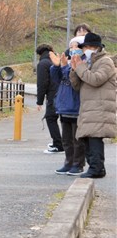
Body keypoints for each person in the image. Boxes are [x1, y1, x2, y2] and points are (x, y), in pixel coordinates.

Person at [70, 32, 116, 179]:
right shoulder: (89, 62)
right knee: (87, 137)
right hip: (89, 106)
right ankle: (95, 168)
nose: (84, 51)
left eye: (86, 47)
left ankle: (96, 168)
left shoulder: (105, 62)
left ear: (95, 47)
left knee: (95, 136)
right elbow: (77, 85)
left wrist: (81, 68)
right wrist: (74, 68)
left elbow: (96, 79)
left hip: (100, 107)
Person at [49, 36, 85, 175]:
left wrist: (64, 67)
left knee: (77, 140)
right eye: (71, 46)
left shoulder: (83, 63)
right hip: (64, 106)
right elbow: (57, 79)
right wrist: (56, 66)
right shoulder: (67, 62)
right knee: (66, 139)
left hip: (77, 106)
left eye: (76, 46)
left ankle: (78, 164)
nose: (73, 49)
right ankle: (68, 162)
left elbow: (74, 80)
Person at [35, 43, 63, 154]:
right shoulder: (56, 60)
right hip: (64, 93)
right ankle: (65, 143)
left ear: (40, 53)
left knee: (50, 118)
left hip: (53, 95)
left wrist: (39, 101)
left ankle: (58, 144)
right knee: (65, 119)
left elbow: (42, 83)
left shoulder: (43, 64)